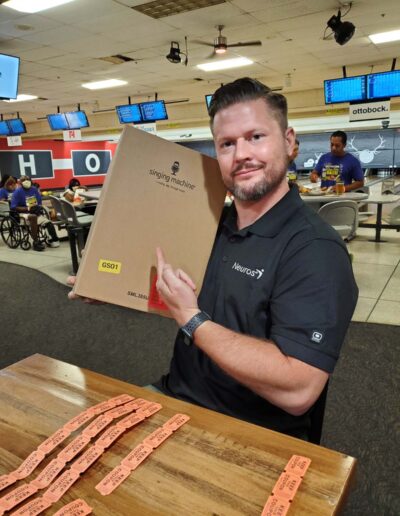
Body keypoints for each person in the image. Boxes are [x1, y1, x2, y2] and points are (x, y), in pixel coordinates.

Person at [70, 78, 358, 440]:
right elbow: (178, 293)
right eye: (227, 144)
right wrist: (110, 284)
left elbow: (299, 389)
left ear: (288, 142)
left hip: (252, 435)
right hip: (175, 399)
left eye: (255, 136)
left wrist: (192, 320)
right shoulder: (211, 228)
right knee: (72, 449)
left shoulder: (315, 251)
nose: (241, 155)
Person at [10, 175, 60, 251]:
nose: (26, 181)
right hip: (22, 214)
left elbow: (39, 203)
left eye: (28, 179)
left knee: (48, 222)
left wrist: (36, 208)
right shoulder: (17, 192)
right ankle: (36, 242)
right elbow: (13, 207)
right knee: (33, 217)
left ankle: (53, 240)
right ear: (20, 182)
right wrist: (26, 208)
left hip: (34, 211)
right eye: (24, 180)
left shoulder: (34, 190)